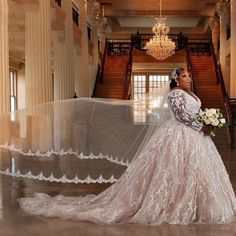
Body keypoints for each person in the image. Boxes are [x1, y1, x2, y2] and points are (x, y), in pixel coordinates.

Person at [18, 68, 236, 225]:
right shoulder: (175, 94)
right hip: (179, 135)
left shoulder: (192, 94)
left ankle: (197, 203)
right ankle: (171, 202)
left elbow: (194, 113)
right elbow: (180, 116)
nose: (189, 78)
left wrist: (208, 121)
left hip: (196, 137)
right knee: (171, 170)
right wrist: (202, 125)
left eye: (189, 75)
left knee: (197, 171)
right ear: (176, 80)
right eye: (185, 76)